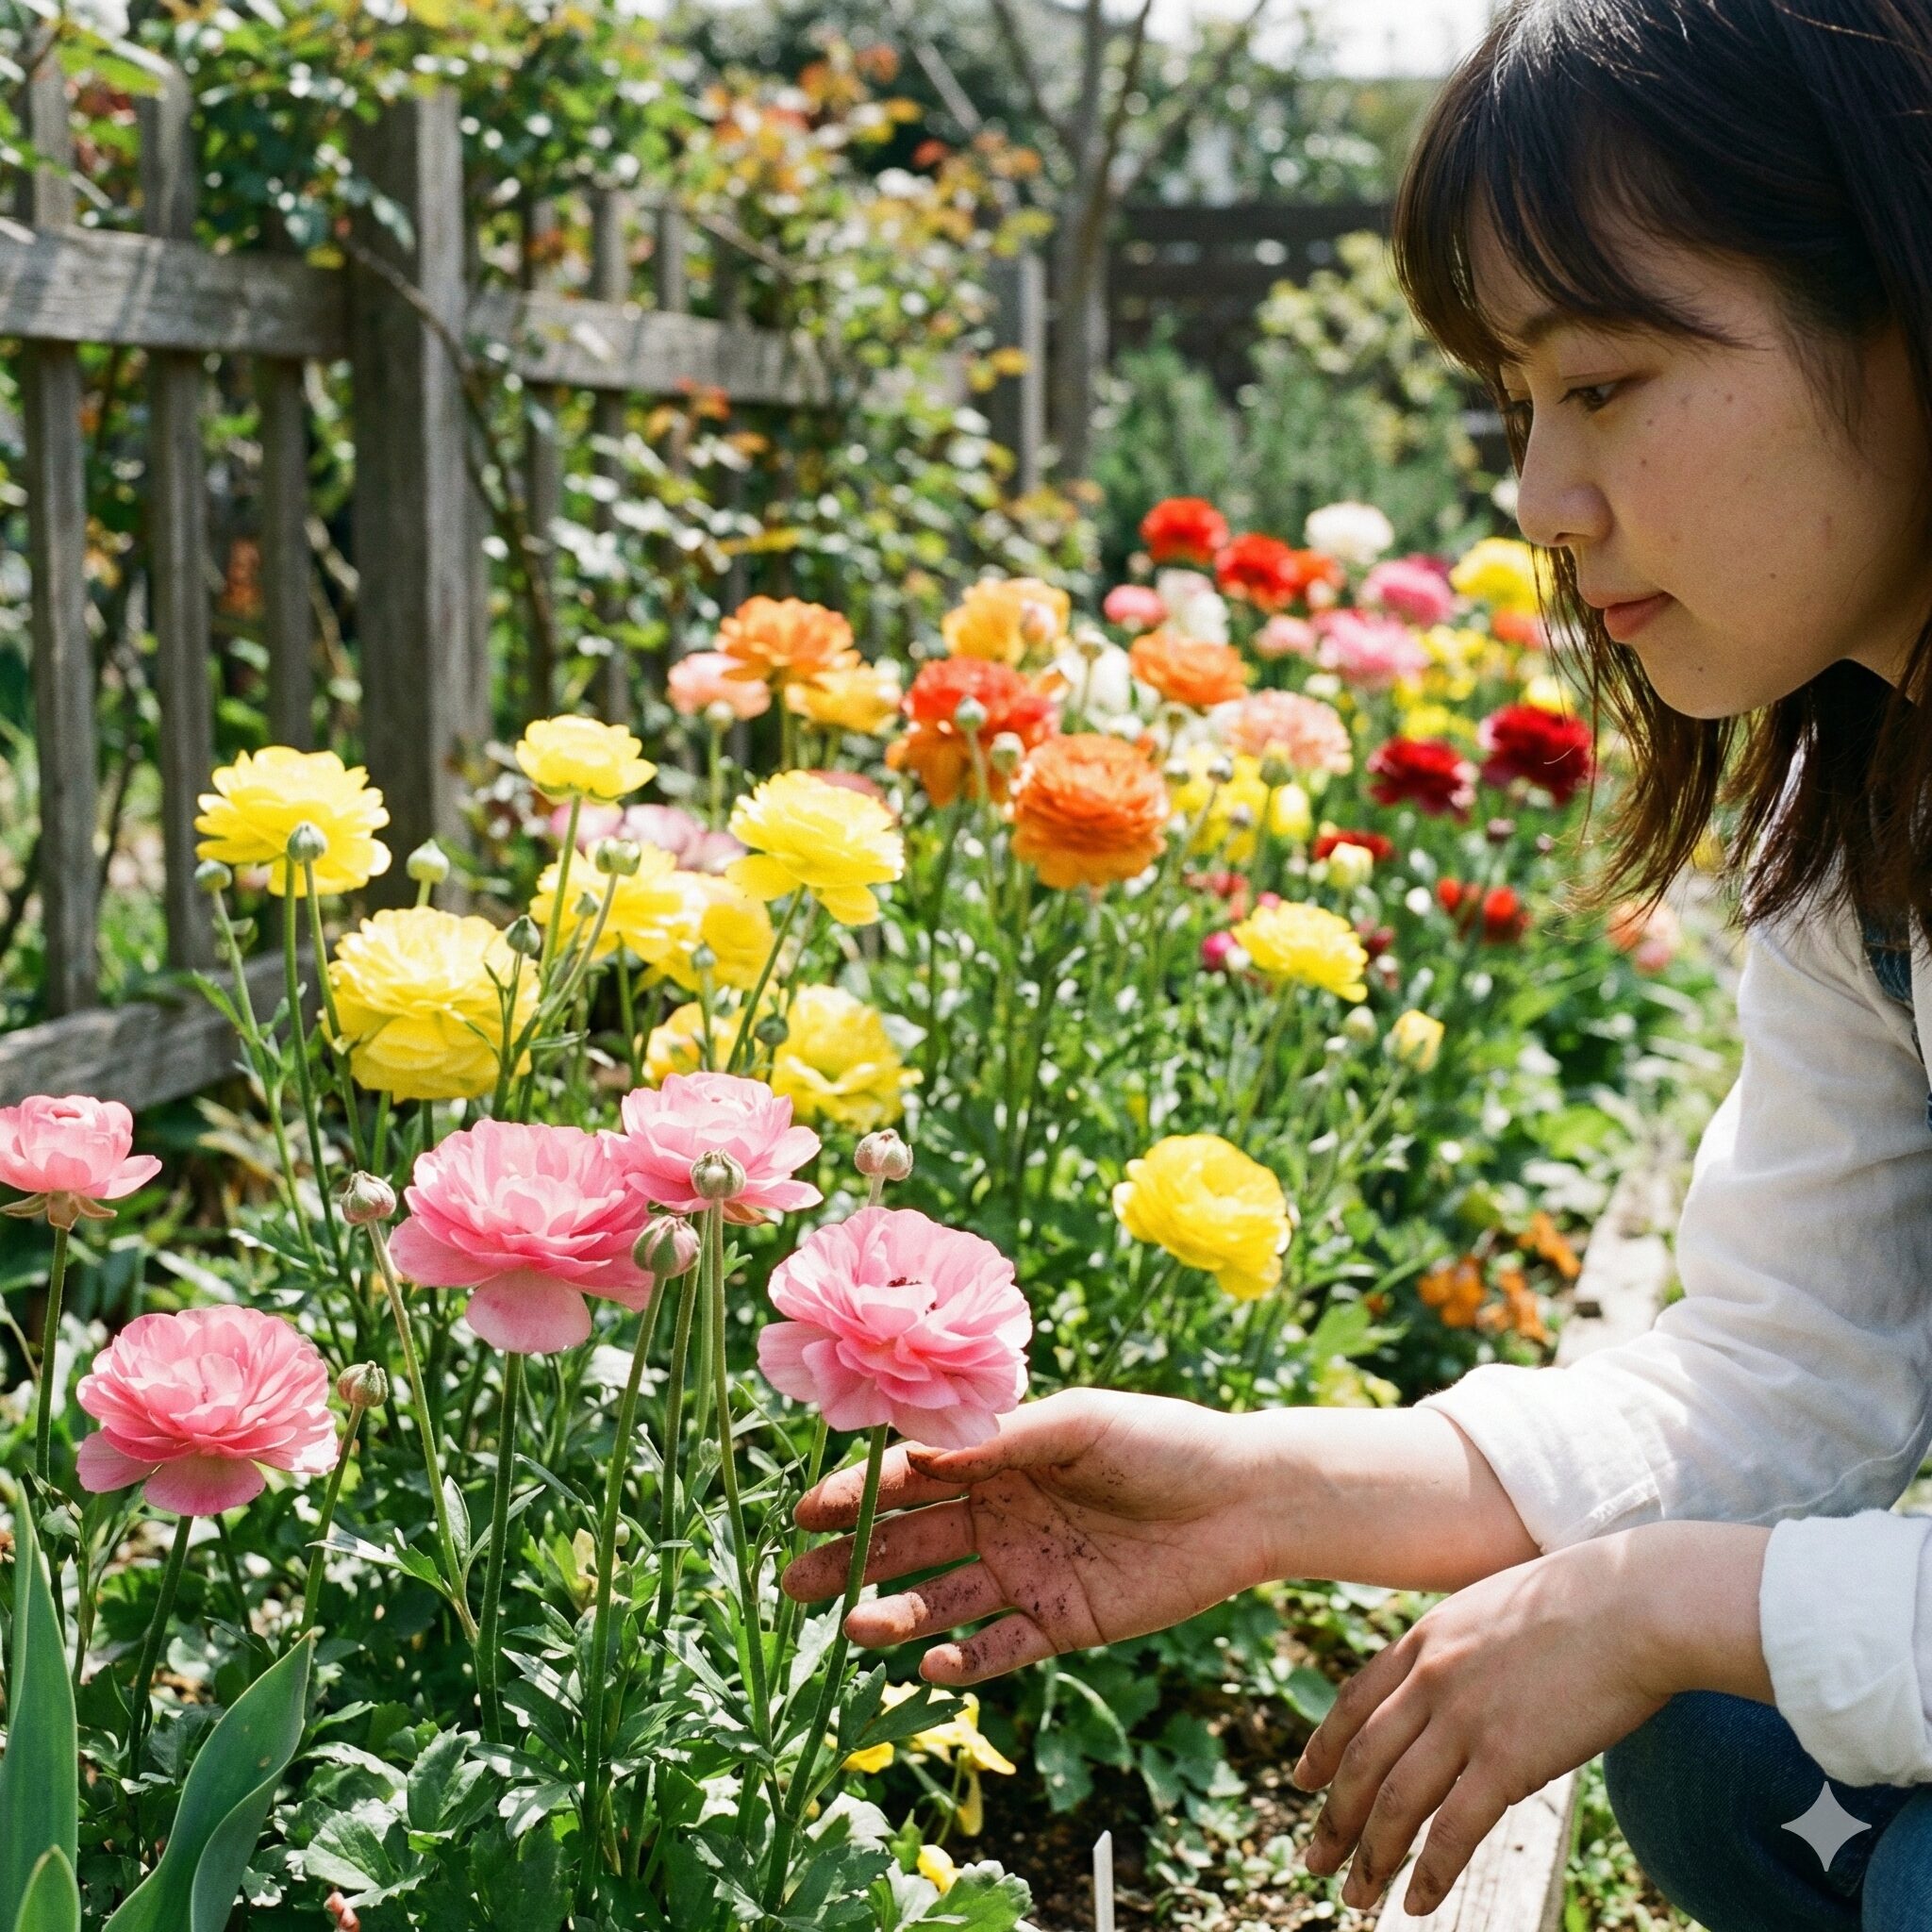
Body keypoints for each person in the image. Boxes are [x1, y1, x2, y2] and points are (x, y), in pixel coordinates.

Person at [785, 1, 1932, 1924]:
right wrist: (1271, 1490)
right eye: (1517, 404)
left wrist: (1653, 1593)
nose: (1539, 506)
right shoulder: (1868, 808)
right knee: (1731, 1739)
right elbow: (1789, 1364)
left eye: (1610, 381)